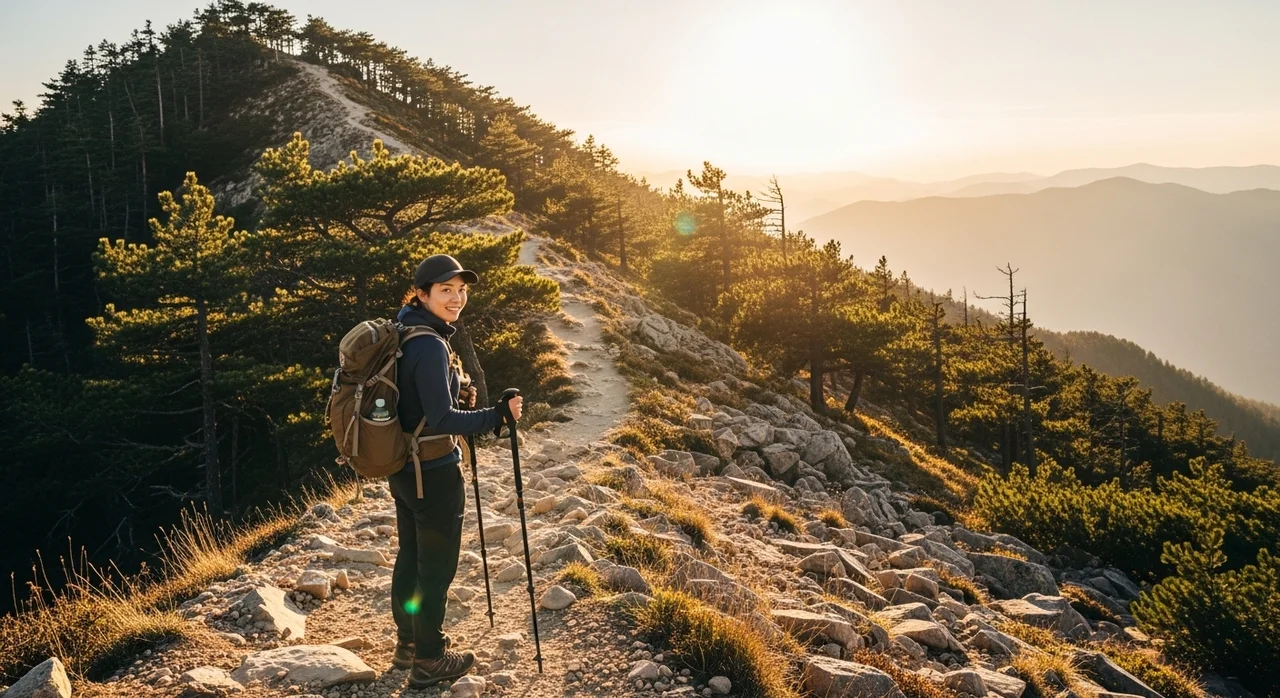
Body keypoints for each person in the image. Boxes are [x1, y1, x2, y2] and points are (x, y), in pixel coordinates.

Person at [389, 253, 523, 688]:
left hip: (404, 468)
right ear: (423, 293)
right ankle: (429, 659)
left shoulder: (406, 328)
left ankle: (408, 643)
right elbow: (443, 419)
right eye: (446, 290)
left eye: (461, 290)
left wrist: (455, 390)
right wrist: (496, 415)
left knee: (411, 555)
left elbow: (422, 404)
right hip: (434, 471)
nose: (457, 298)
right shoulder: (428, 343)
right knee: (437, 566)